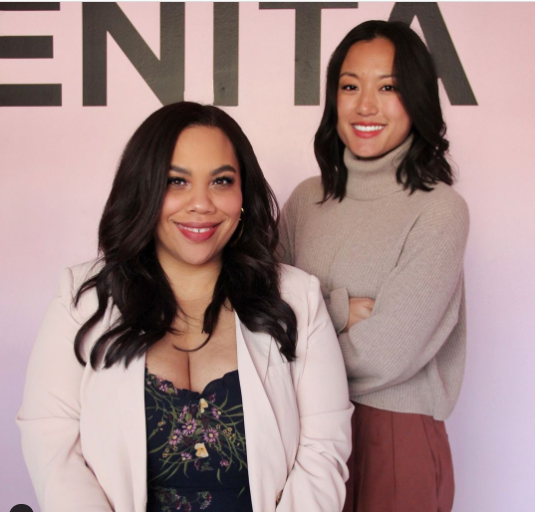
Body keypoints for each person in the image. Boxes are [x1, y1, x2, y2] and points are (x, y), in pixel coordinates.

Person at [17, 102, 353, 512]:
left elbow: (324, 453)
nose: (201, 204)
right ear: (144, 189)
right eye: (177, 182)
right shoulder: (82, 299)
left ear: (243, 193)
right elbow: (52, 445)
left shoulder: (297, 298)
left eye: (221, 181)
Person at [278, 21, 469, 512]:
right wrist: (338, 310)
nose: (365, 105)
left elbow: (389, 353)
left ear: (418, 98)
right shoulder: (305, 200)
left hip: (394, 435)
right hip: (303, 432)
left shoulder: (439, 210)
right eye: (349, 86)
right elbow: (265, 318)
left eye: (388, 87)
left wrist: (301, 337)